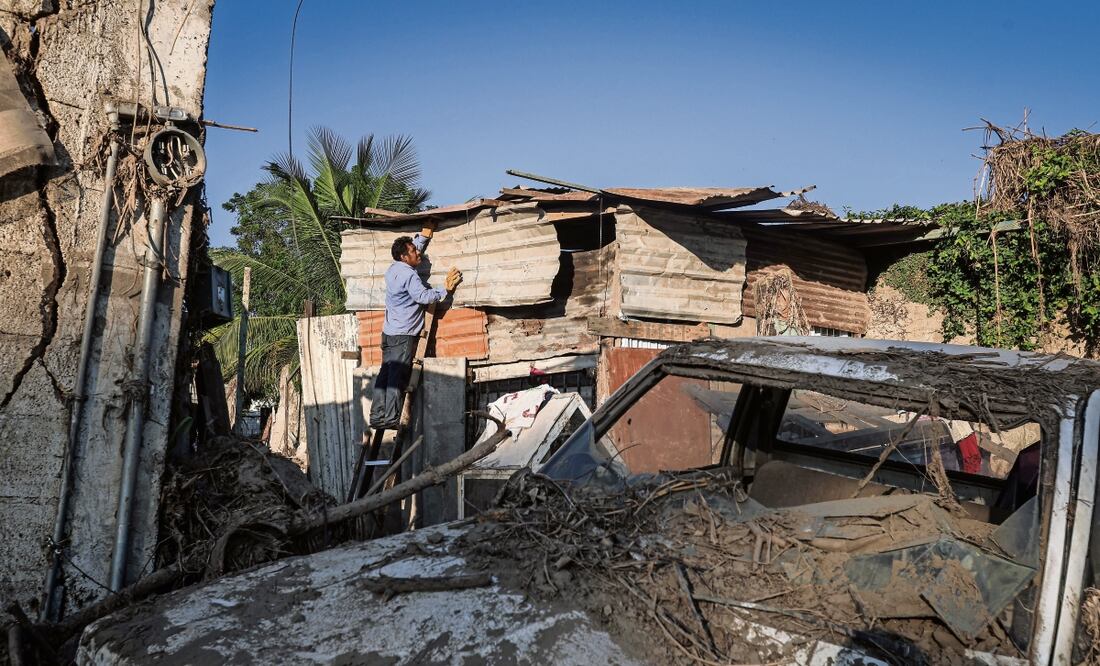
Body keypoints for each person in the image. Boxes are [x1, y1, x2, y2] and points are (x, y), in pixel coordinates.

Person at [368, 223, 462, 430]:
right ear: (404, 257)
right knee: (396, 378)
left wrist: (422, 237)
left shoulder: (393, 269)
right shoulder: (409, 275)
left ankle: (377, 416)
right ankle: (392, 418)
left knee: (385, 374)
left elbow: (412, 253)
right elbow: (422, 296)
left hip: (389, 332)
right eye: (413, 251)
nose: (417, 253)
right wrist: (444, 289)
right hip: (402, 335)